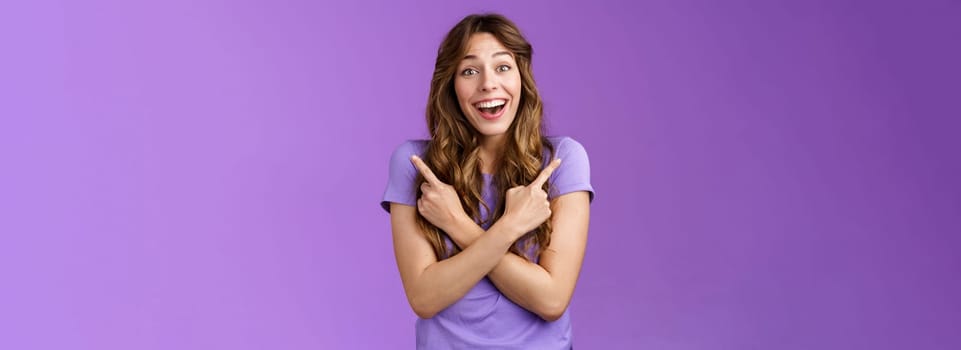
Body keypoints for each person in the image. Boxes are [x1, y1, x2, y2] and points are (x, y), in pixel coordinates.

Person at [380, 13, 594, 349]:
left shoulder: (563, 160)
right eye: (469, 71)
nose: (488, 84)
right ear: (450, 84)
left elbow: (552, 300)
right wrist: (510, 227)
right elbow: (424, 298)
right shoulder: (417, 166)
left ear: (522, 77)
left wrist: (456, 223)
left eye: (502, 67)